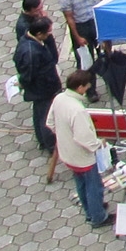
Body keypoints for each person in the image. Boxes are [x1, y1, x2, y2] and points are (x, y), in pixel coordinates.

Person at [48, 70, 113, 227]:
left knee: (81, 184)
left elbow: (50, 122)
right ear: (80, 88)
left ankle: (90, 211)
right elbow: (84, 138)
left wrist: (64, 136)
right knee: (94, 186)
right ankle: (98, 217)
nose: (89, 87)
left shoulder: (59, 98)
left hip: (66, 152)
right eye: (87, 85)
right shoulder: (78, 110)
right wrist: (99, 143)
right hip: (82, 156)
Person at [56, 0, 112, 100]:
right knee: (86, 62)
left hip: (97, 21)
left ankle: (111, 83)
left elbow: (106, 3)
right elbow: (69, 18)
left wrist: (105, 30)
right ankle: (90, 90)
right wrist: (77, 37)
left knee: (107, 55)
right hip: (81, 26)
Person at [14, 13, 61, 152]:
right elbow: (28, 74)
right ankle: (50, 144)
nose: (50, 35)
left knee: (39, 113)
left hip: (43, 86)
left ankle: (43, 141)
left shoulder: (28, 41)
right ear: (39, 33)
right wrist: (23, 83)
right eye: (48, 32)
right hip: (42, 88)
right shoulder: (32, 52)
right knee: (46, 117)